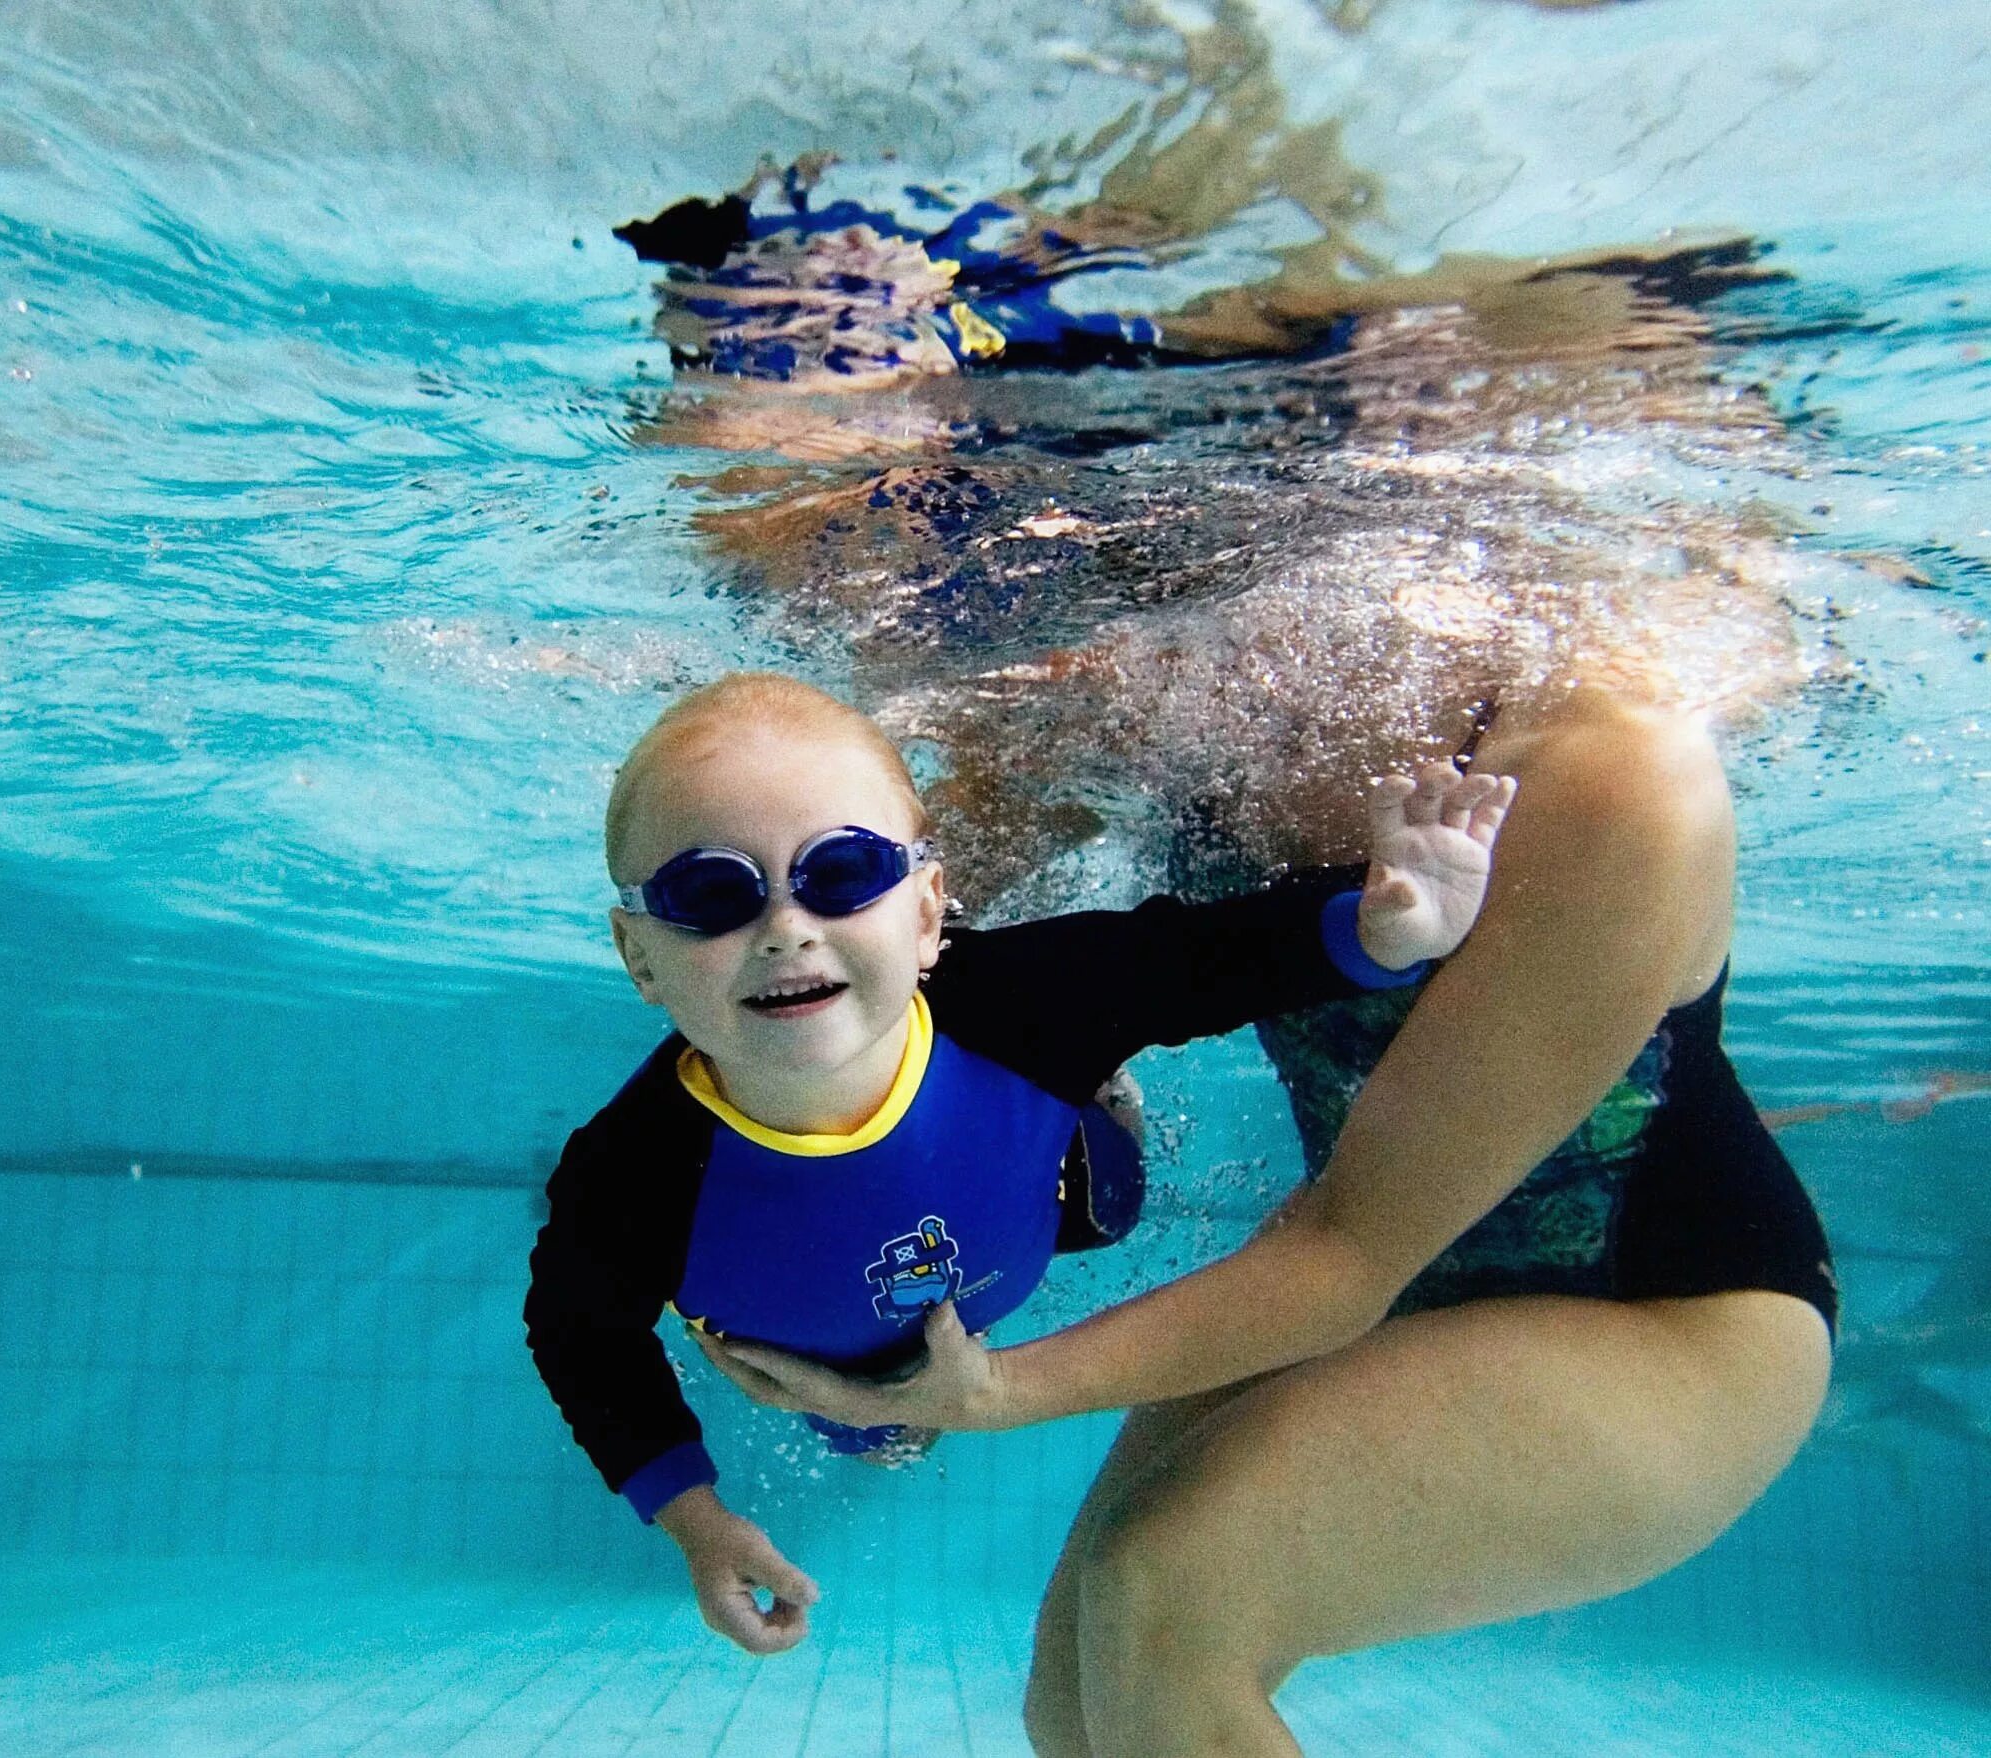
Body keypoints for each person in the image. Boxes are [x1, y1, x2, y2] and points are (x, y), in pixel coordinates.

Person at [626, 171, 1841, 1756]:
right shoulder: (1176, 685)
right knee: (1076, 1696)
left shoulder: (1616, 778)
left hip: (1667, 1319)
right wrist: (883, 1309)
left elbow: (1348, 1250)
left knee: (1176, 1597)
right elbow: (966, 1009)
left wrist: (981, 1390)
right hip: (1364, 1274)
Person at [523, 669, 1515, 1655]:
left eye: (842, 873)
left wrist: (1382, 932)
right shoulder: (626, 1179)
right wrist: (694, 1517)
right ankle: (903, 1410)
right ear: (639, 957)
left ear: (924, 917)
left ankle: (1094, 1097)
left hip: (1047, 1194)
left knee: (1110, 1195)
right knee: (876, 1424)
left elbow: (1191, 961)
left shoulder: (1013, 1001)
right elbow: (578, 1336)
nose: (786, 928)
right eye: (710, 894)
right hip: (847, 1351)